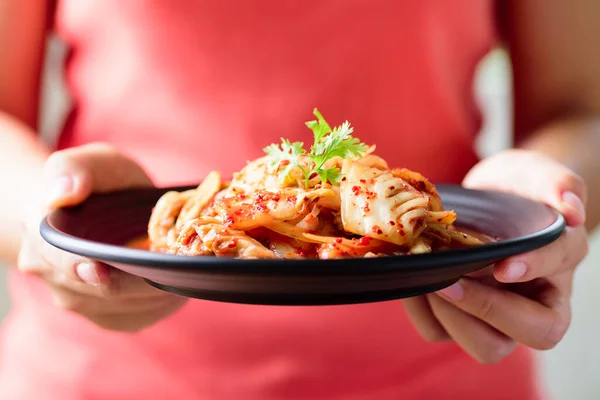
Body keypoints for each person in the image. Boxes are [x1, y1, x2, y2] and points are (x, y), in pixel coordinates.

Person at [0, 1, 598, 399]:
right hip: (99, 371)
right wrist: (49, 213)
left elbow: (582, 110)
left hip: (449, 356)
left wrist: (547, 199)